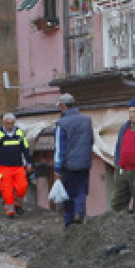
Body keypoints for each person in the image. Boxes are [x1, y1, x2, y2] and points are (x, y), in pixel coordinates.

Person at [53, 93, 94, 228]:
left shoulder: (62, 124)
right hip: (84, 163)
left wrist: (57, 168)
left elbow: (60, 148)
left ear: (63, 106)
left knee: (68, 194)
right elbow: (91, 141)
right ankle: (80, 214)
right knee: (81, 191)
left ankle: (69, 223)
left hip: (69, 165)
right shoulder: (87, 120)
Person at [0, 112, 34, 218]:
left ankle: (17, 204)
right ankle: (10, 210)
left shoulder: (19, 133)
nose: (9, 124)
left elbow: (26, 149)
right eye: (7, 122)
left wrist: (29, 162)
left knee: (22, 186)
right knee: (6, 189)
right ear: (4, 123)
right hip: (3, 167)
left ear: (14, 123)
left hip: (18, 166)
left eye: (11, 122)